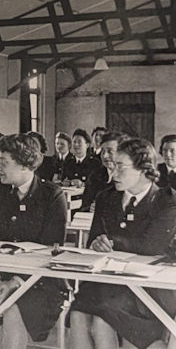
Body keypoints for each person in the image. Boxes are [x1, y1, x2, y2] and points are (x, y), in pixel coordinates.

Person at [69, 138, 176, 349]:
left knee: (101, 321)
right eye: (112, 166)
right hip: (106, 281)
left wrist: (111, 240)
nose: (113, 173)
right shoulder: (105, 198)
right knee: (77, 313)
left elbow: (151, 246)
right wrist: (98, 243)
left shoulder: (167, 201)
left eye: (120, 167)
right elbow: (94, 239)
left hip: (146, 288)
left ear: (143, 169)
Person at [0, 134, 68, 349]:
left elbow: (51, 250)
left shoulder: (52, 195)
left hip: (39, 280)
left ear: (25, 165)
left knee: (14, 309)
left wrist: (14, 282)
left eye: (4, 162)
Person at [80, 131, 126, 212]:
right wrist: (90, 208)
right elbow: (84, 205)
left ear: (122, 153)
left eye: (110, 151)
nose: (105, 156)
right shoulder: (95, 175)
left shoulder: (129, 177)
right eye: (103, 151)